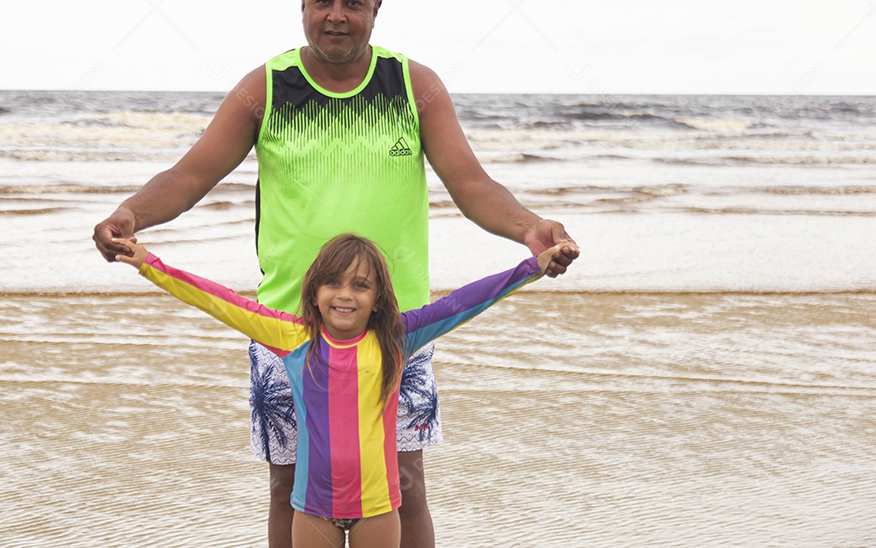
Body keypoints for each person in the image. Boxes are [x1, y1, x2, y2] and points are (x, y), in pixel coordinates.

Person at [92, 0, 579, 548]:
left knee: (405, 481)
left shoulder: (413, 85)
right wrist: (131, 214)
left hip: (397, 324)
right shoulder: (265, 88)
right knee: (287, 484)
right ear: (302, 5)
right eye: (324, 0)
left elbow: (471, 183)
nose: (337, 14)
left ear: (377, 9)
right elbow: (190, 177)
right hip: (286, 322)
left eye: (353, 2)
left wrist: (527, 229)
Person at [113, 233, 576, 548]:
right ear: (313, 291)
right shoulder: (292, 338)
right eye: (333, 282)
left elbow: (465, 301)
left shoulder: (397, 336)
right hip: (312, 510)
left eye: (360, 285)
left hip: (378, 509)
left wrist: (531, 267)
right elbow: (218, 300)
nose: (345, 294)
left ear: (377, 298)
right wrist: (149, 265)